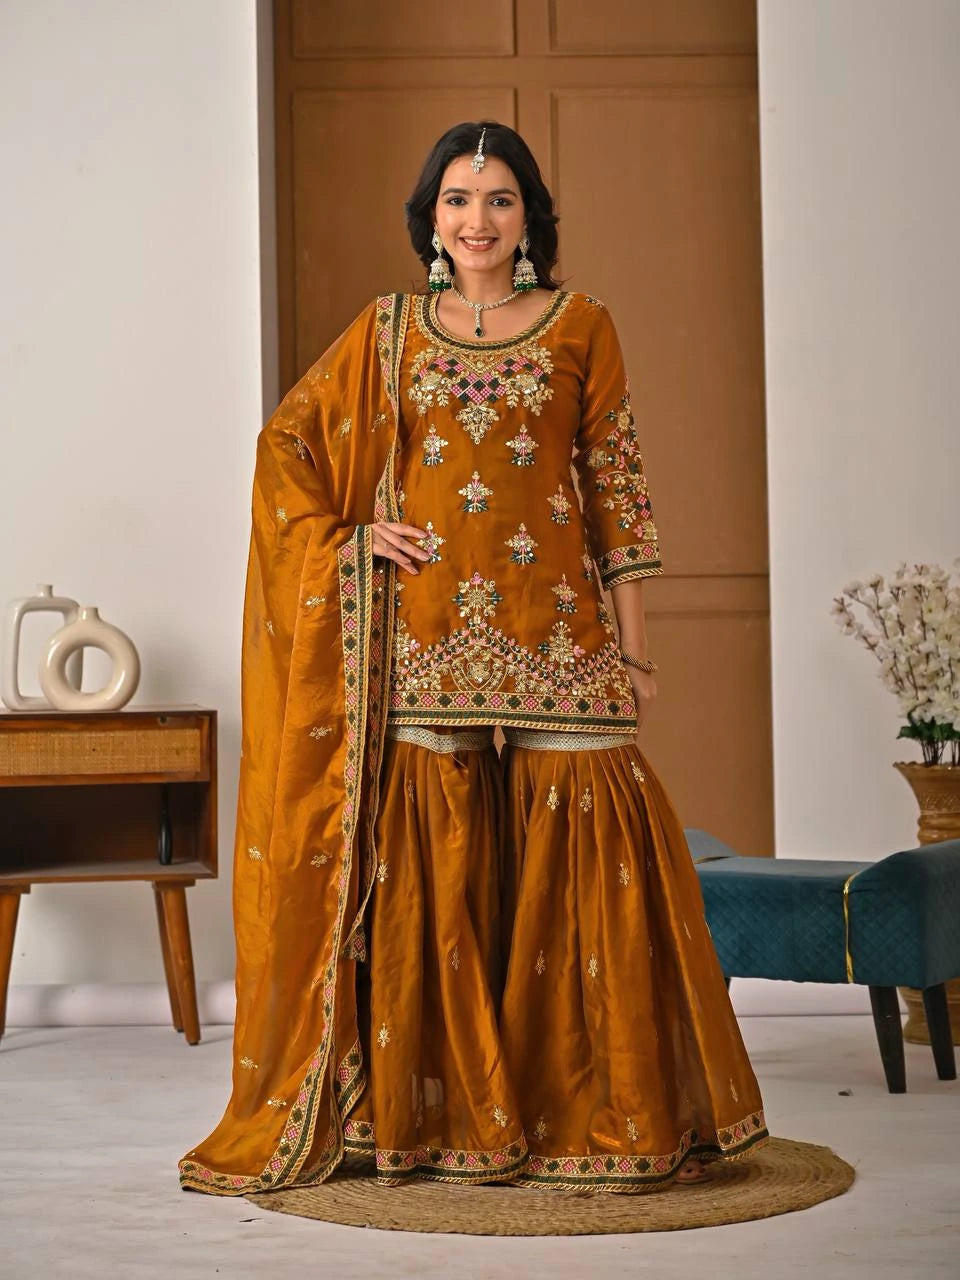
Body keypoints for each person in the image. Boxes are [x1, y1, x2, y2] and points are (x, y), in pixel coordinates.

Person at [179, 121, 768, 1198]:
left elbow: (617, 488)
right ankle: (434, 1117)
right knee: (429, 878)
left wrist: (636, 655)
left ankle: (603, 1114)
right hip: (424, 631)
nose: (477, 220)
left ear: (529, 216)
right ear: (430, 218)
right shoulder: (389, 329)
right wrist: (353, 538)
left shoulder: (583, 323)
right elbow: (289, 446)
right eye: (457, 198)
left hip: (563, 632)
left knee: (585, 864)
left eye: (499, 198)